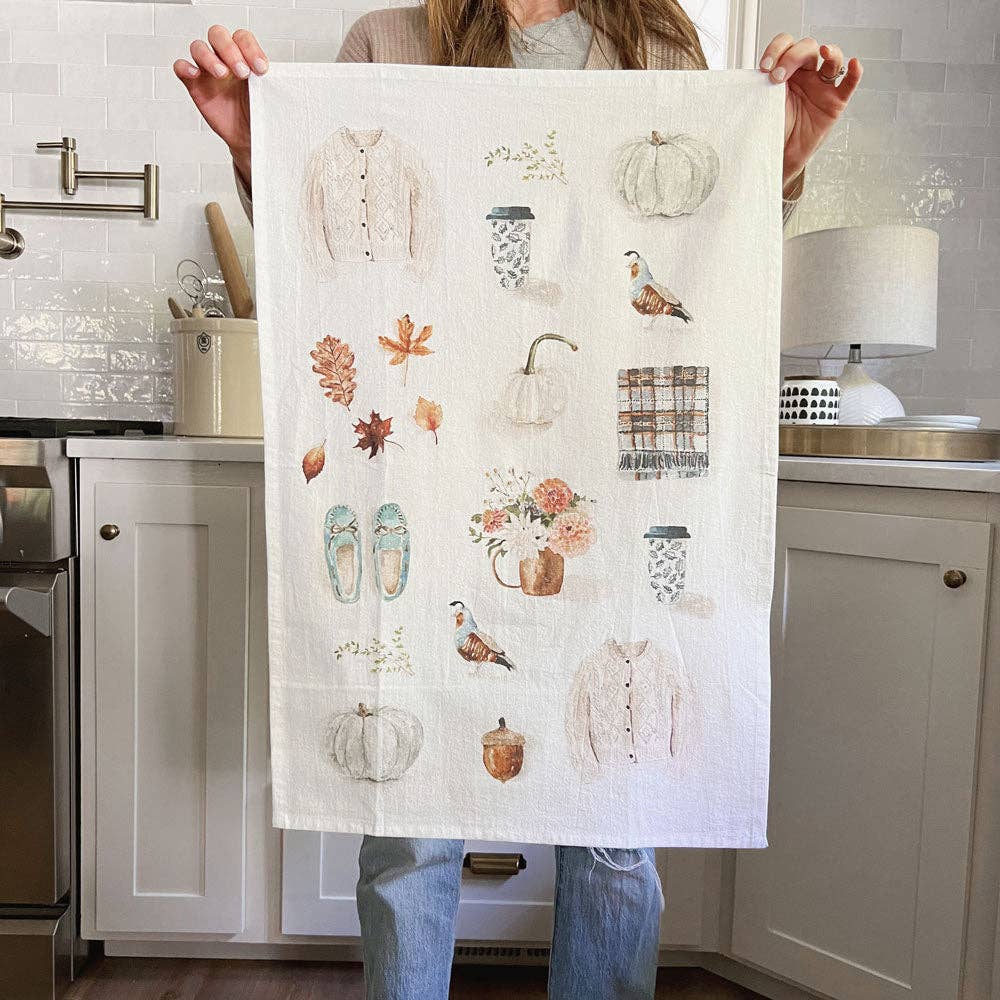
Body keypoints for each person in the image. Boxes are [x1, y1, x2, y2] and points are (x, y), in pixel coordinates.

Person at [175, 7, 860, 998]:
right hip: (428, 456)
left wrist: (779, 159)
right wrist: (257, 147)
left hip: (607, 471)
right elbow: (339, 252)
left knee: (617, 822)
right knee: (410, 820)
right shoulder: (387, 41)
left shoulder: (655, 46)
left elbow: (696, 235)